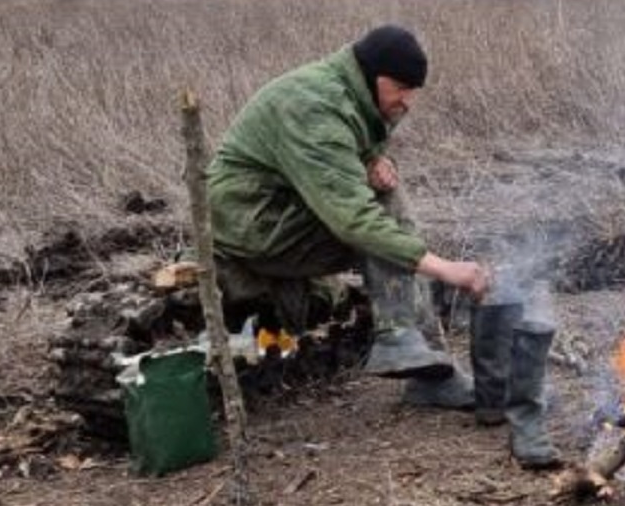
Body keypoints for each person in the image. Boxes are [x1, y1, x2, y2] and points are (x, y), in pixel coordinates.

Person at [206, 25, 491, 408]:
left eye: (414, 91)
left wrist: (374, 159)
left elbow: (349, 152)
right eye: (401, 88)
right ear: (373, 76)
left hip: (285, 208)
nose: (408, 101)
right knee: (379, 214)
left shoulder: (359, 96)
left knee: (384, 190)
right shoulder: (314, 106)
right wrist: (444, 269)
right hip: (252, 225)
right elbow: (353, 219)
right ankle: (402, 341)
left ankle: (420, 355)